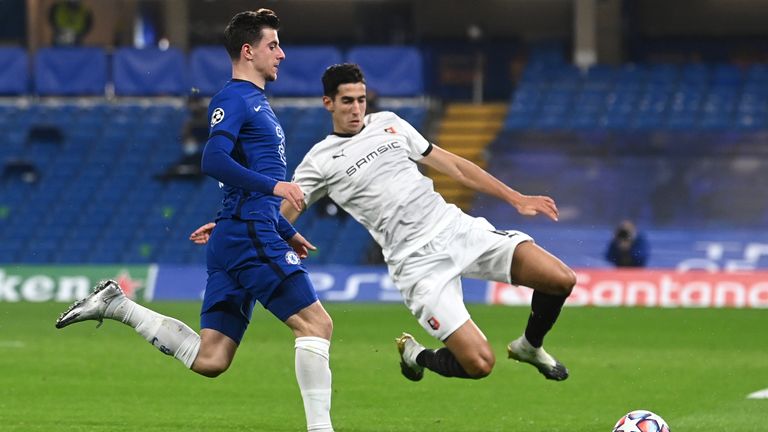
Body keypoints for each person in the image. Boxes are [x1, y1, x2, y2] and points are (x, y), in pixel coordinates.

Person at [193, 63, 576, 382]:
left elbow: (455, 165)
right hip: (416, 265)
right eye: (347, 101)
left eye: (361, 100)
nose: (356, 108)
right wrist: (232, 225)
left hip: (457, 229)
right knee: (479, 364)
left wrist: (516, 198)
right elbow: (280, 212)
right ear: (328, 103)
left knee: (560, 279)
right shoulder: (319, 161)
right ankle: (417, 355)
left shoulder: (391, 123)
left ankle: (530, 345)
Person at [56, 10, 334, 432]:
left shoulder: (256, 101)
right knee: (317, 324)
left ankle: (119, 306)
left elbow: (244, 183)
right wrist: (275, 193)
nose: (281, 53)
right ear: (248, 50)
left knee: (211, 359)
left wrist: (285, 228)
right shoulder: (234, 98)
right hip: (247, 236)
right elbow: (213, 159)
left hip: (238, 233)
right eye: (273, 45)